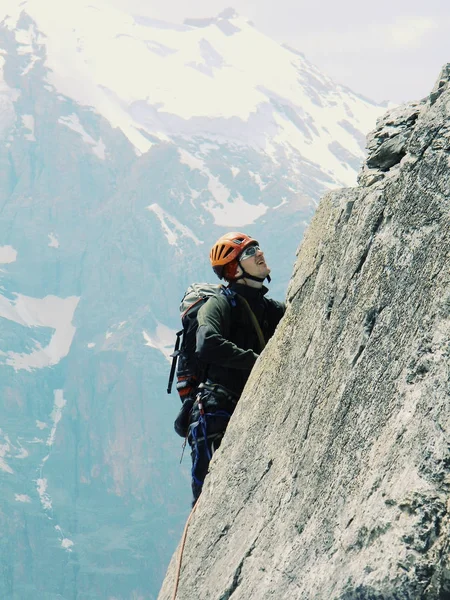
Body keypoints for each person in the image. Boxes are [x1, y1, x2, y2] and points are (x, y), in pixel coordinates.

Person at [188, 232, 285, 503]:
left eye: (258, 246)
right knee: (210, 500)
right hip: (217, 410)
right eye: (249, 252)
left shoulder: (267, 307)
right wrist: (257, 361)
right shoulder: (220, 304)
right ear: (234, 269)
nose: (259, 253)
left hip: (244, 407)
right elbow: (206, 342)